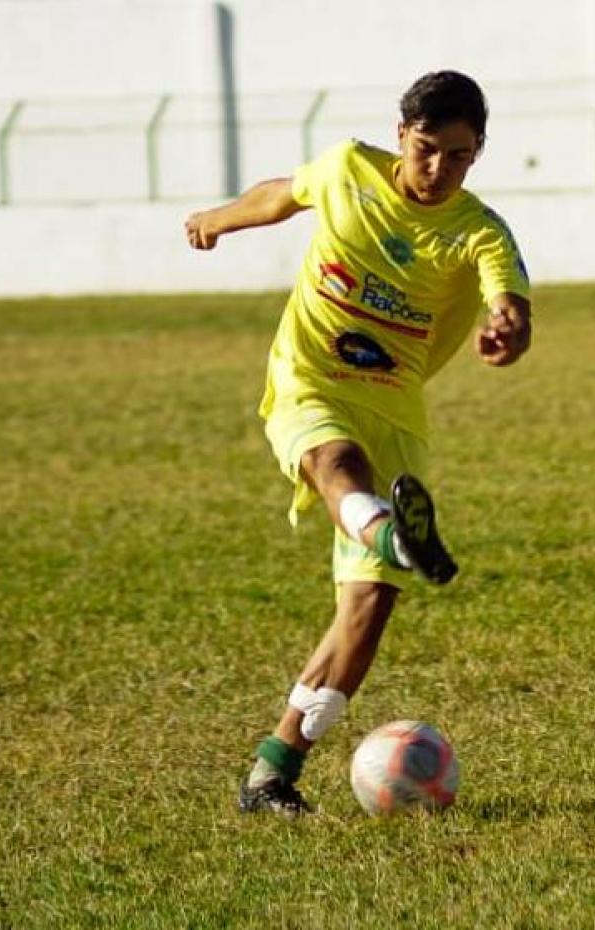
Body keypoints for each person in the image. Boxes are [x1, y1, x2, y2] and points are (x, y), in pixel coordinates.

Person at [185, 70, 531, 816]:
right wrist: (218, 218)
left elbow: (509, 294)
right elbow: (282, 193)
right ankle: (390, 533)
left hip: (396, 408)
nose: (440, 170)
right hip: (311, 378)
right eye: (428, 150)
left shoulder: (478, 228)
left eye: (461, 156)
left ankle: (272, 772)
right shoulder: (348, 169)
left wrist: (506, 328)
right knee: (335, 463)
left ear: (479, 153)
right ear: (401, 134)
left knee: (366, 609)